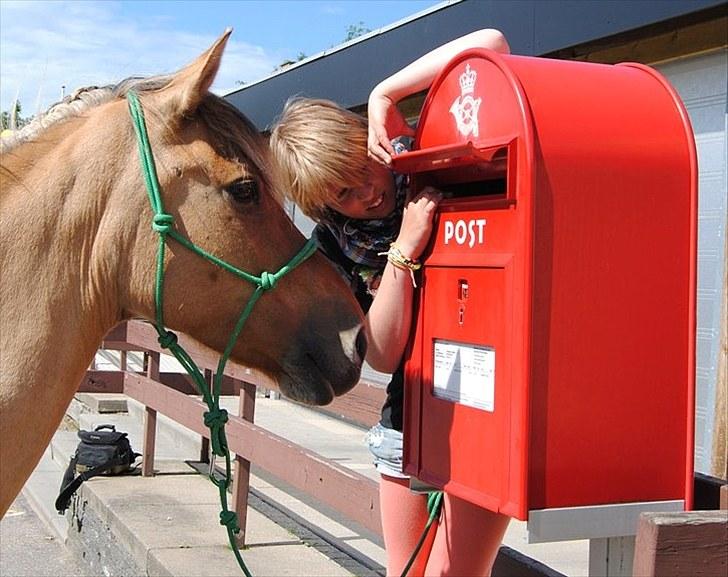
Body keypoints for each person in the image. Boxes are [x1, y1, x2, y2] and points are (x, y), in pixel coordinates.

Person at [270, 29, 511, 577]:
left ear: (368, 139)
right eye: (343, 195)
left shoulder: (431, 156)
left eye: (362, 170)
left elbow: (492, 43)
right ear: (321, 205)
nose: (367, 194)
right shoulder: (334, 246)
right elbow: (379, 352)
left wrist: (384, 93)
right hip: (407, 418)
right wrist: (404, 249)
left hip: (479, 412)